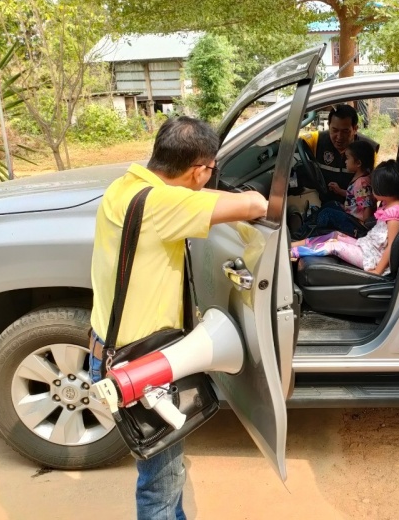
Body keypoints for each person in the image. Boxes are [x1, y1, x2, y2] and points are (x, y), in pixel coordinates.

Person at [88, 116, 268, 520]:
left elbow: (188, 199)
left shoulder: (126, 187)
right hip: (141, 364)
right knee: (161, 485)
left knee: (164, 474)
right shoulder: (167, 205)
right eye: (211, 170)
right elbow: (256, 204)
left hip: (110, 347)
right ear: (198, 171)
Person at [290, 160, 399, 275]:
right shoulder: (389, 204)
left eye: (373, 188)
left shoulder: (395, 214)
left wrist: (378, 271)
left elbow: (392, 246)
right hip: (368, 247)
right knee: (336, 235)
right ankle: (293, 244)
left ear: (383, 189)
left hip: (373, 258)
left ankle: (293, 252)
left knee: (334, 245)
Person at [300, 104, 378, 203]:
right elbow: (291, 143)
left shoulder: (369, 149)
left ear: (355, 129)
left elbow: (372, 191)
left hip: (355, 207)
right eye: (334, 130)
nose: (339, 137)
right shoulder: (316, 140)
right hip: (325, 203)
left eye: (345, 131)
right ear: (328, 126)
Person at [315, 139, 375, 235]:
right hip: (351, 217)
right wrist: (339, 191)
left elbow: (366, 205)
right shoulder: (362, 178)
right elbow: (355, 196)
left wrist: (365, 228)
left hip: (356, 224)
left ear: (358, 163)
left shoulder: (361, 183)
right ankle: (311, 224)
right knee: (331, 204)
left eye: (347, 158)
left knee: (327, 213)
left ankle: (312, 232)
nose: (345, 161)